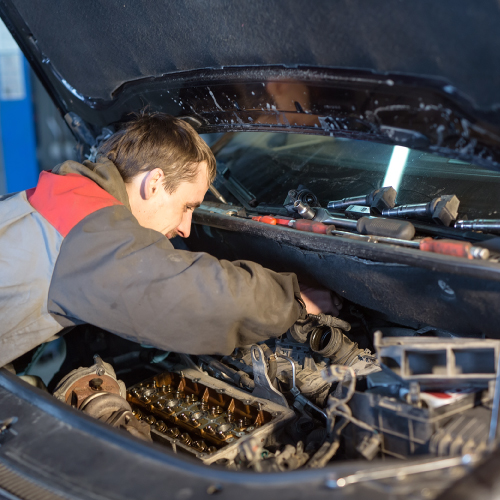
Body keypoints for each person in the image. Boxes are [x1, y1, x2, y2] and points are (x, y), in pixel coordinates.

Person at [0, 112, 337, 368]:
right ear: (155, 182)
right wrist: (289, 300)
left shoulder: (65, 195)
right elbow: (186, 294)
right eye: (187, 206)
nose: (187, 228)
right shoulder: (85, 234)